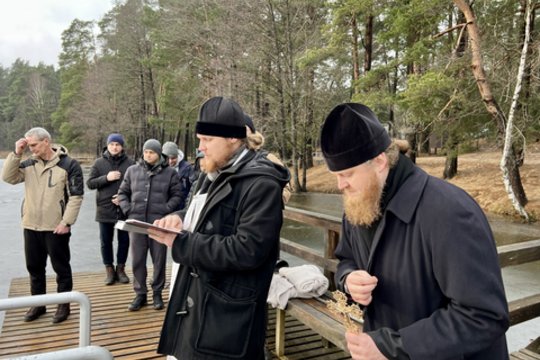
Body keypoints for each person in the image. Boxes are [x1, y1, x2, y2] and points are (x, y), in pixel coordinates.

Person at [320, 103, 509, 359]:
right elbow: (346, 259)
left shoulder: (450, 212)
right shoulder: (358, 204)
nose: (340, 185)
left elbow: (484, 316)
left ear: (379, 162)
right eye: (336, 175)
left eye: (347, 174)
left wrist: (391, 346)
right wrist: (348, 279)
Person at [149, 96, 290, 360]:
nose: (200, 148)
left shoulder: (262, 184)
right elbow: (207, 214)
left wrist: (180, 243)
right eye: (199, 139)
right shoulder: (213, 171)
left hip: (227, 319)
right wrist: (180, 218)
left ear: (234, 139)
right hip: (198, 302)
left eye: (207, 140)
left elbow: (248, 249)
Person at [1, 127, 84, 324]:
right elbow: (8, 177)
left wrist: (66, 222)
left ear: (46, 141)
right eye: (28, 145)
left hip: (56, 227)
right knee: (34, 268)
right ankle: (38, 304)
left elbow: (76, 196)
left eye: (34, 145)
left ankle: (64, 305)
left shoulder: (69, 165)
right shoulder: (29, 163)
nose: (31, 149)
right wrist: (16, 153)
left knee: (61, 268)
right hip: (31, 225)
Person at [117, 139, 182, 311]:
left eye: (151, 152)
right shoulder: (132, 171)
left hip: (158, 223)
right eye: (146, 152)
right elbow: (122, 193)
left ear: (159, 154)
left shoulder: (170, 173)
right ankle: (140, 294)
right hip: (136, 223)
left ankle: (157, 293)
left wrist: (165, 209)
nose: (148, 155)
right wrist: (128, 209)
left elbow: (178, 195)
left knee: (159, 260)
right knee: (137, 259)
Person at [86, 133, 135, 285]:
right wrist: (106, 178)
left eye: (117, 144)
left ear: (122, 147)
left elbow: (137, 186)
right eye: (112, 144)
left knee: (124, 241)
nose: (114, 147)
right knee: (105, 241)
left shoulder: (130, 163)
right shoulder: (99, 163)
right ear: (107, 145)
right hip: (104, 209)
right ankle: (109, 270)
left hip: (124, 209)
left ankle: (121, 269)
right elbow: (90, 183)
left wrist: (124, 198)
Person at [162, 141, 193, 211]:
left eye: (173, 158)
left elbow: (193, 189)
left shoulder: (187, 168)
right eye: (168, 158)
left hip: (181, 207)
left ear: (177, 156)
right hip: (165, 207)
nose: (170, 161)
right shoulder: (159, 168)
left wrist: (187, 206)